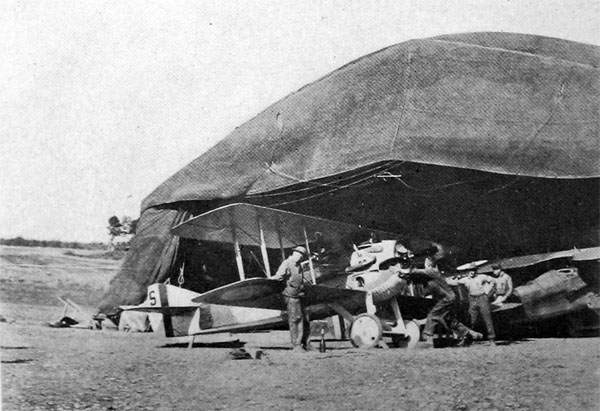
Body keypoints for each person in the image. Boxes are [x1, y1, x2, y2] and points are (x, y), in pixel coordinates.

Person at [398, 257, 483, 348]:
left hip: (447, 298)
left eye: (426, 262)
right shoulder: (430, 275)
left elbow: (414, 272)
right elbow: (414, 276)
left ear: (429, 264)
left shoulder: (432, 271)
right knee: (448, 319)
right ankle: (470, 334)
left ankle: (428, 341)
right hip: (448, 298)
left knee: (433, 315)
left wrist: (399, 269)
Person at [272, 246, 311, 352]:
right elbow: (279, 276)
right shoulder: (287, 263)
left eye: (301, 256)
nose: (299, 257)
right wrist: (271, 279)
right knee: (295, 319)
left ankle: (306, 343)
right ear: (294, 253)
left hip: (300, 295)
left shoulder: (299, 266)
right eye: (298, 254)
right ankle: (296, 345)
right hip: (291, 296)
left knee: (306, 319)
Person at [447, 268, 497, 345]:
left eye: (473, 270)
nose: (472, 272)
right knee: (471, 320)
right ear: (467, 271)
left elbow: (493, 280)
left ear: (476, 271)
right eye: (470, 270)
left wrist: (488, 292)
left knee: (487, 318)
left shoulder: (481, 277)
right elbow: (454, 282)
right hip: (472, 299)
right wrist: (442, 279)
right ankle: (468, 339)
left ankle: (492, 339)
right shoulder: (465, 279)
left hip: (482, 298)